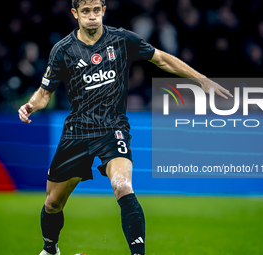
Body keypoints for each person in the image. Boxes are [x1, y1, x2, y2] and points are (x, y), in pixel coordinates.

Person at [18, 0, 232, 254]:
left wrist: (200, 79)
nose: (92, 16)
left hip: (113, 127)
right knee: (53, 203)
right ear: (75, 13)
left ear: (103, 11)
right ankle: (50, 248)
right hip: (78, 130)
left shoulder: (121, 40)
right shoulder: (63, 50)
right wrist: (30, 105)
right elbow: (45, 93)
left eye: (96, 10)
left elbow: (161, 59)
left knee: (122, 186)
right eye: (86, 11)